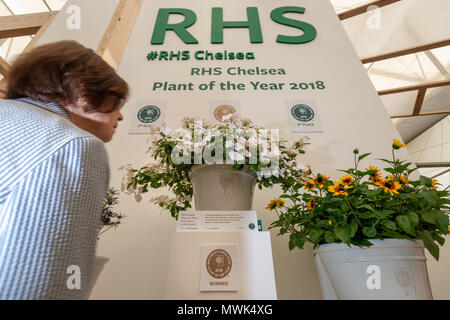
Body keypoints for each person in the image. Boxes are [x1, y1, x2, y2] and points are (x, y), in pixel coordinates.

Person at [0, 40, 129, 299]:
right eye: (116, 101)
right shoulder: (73, 146)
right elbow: (38, 288)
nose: (121, 116)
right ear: (83, 90)